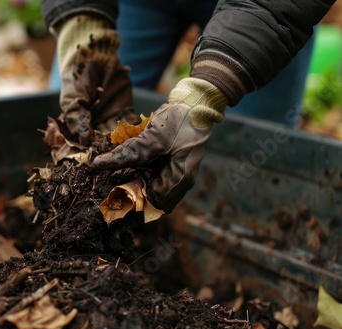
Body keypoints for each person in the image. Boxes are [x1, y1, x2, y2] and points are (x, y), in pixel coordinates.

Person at [41, 0, 335, 215]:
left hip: (269, 10)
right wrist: (83, 27)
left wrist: (206, 93)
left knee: (252, 175)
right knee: (81, 123)